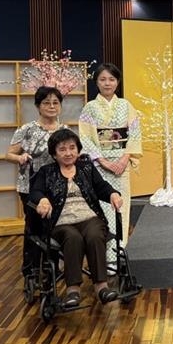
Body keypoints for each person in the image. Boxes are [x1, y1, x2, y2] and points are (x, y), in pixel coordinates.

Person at [29, 129, 123, 306]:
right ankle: (73, 290)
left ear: (78, 150)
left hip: (89, 217)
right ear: (54, 153)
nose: (68, 153)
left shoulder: (86, 167)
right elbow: (36, 191)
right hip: (61, 222)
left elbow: (101, 186)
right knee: (73, 238)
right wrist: (42, 200)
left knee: (95, 234)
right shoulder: (46, 171)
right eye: (62, 149)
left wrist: (113, 194)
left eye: (72, 148)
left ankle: (101, 287)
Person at [79, 63, 142, 268]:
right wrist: (103, 161)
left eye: (112, 79)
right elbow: (85, 137)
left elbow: (135, 133)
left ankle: (120, 251)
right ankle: (106, 256)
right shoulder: (89, 108)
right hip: (100, 165)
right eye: (103, 79)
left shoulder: (126, 105)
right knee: (104, 208)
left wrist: (124, 159)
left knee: (122, 207)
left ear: (118, 82)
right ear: (96, 82)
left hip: (121, 163)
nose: (107, 83)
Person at [6, 86, 68, 279]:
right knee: (34, 227)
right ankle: (31, 269)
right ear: (37, 106)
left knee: (55, 226)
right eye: (46, 103)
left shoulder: (64, 130)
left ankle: (52, 267)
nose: (51, 106)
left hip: (57, 187)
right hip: (30, 186)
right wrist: (20, 157)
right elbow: (8, 154)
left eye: (55, 103)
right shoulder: (27, 129)